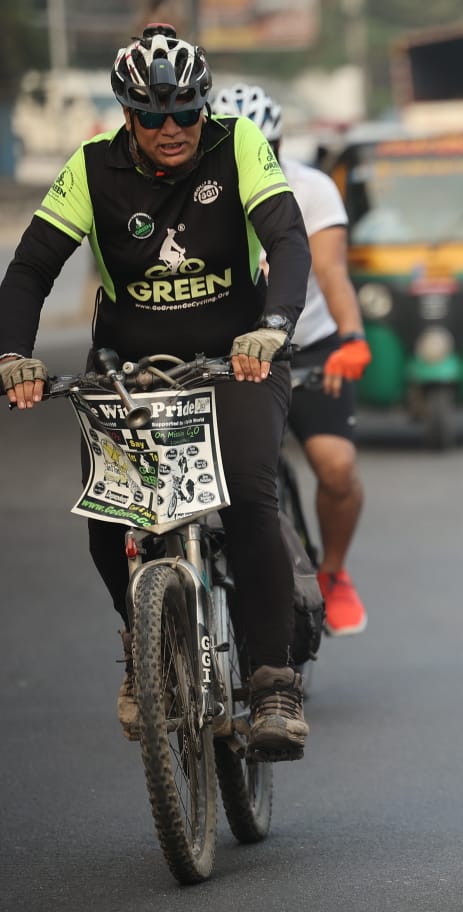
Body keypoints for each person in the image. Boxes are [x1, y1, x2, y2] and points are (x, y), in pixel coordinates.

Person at [0, 24, 312, 759]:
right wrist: (16, 353)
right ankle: (142, 644)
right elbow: (30, 269)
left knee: (250, 488)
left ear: (204, 105)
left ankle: (272, 680)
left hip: (238, 359)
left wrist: (272, 326)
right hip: (129, 368)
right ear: (126, 114)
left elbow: (289, 240)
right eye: (151, 115)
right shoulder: (92, 167)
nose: (171, 129)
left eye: (185, 112)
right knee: (108, 512)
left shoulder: (236, 144)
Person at [210, 83, 371, 636]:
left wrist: (352, 337)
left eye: (266, 148)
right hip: (224, 353)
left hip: (310, 345)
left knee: (338, 467)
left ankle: (333, 572)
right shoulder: (195, 193)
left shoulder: (311, 187)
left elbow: (330, 271)